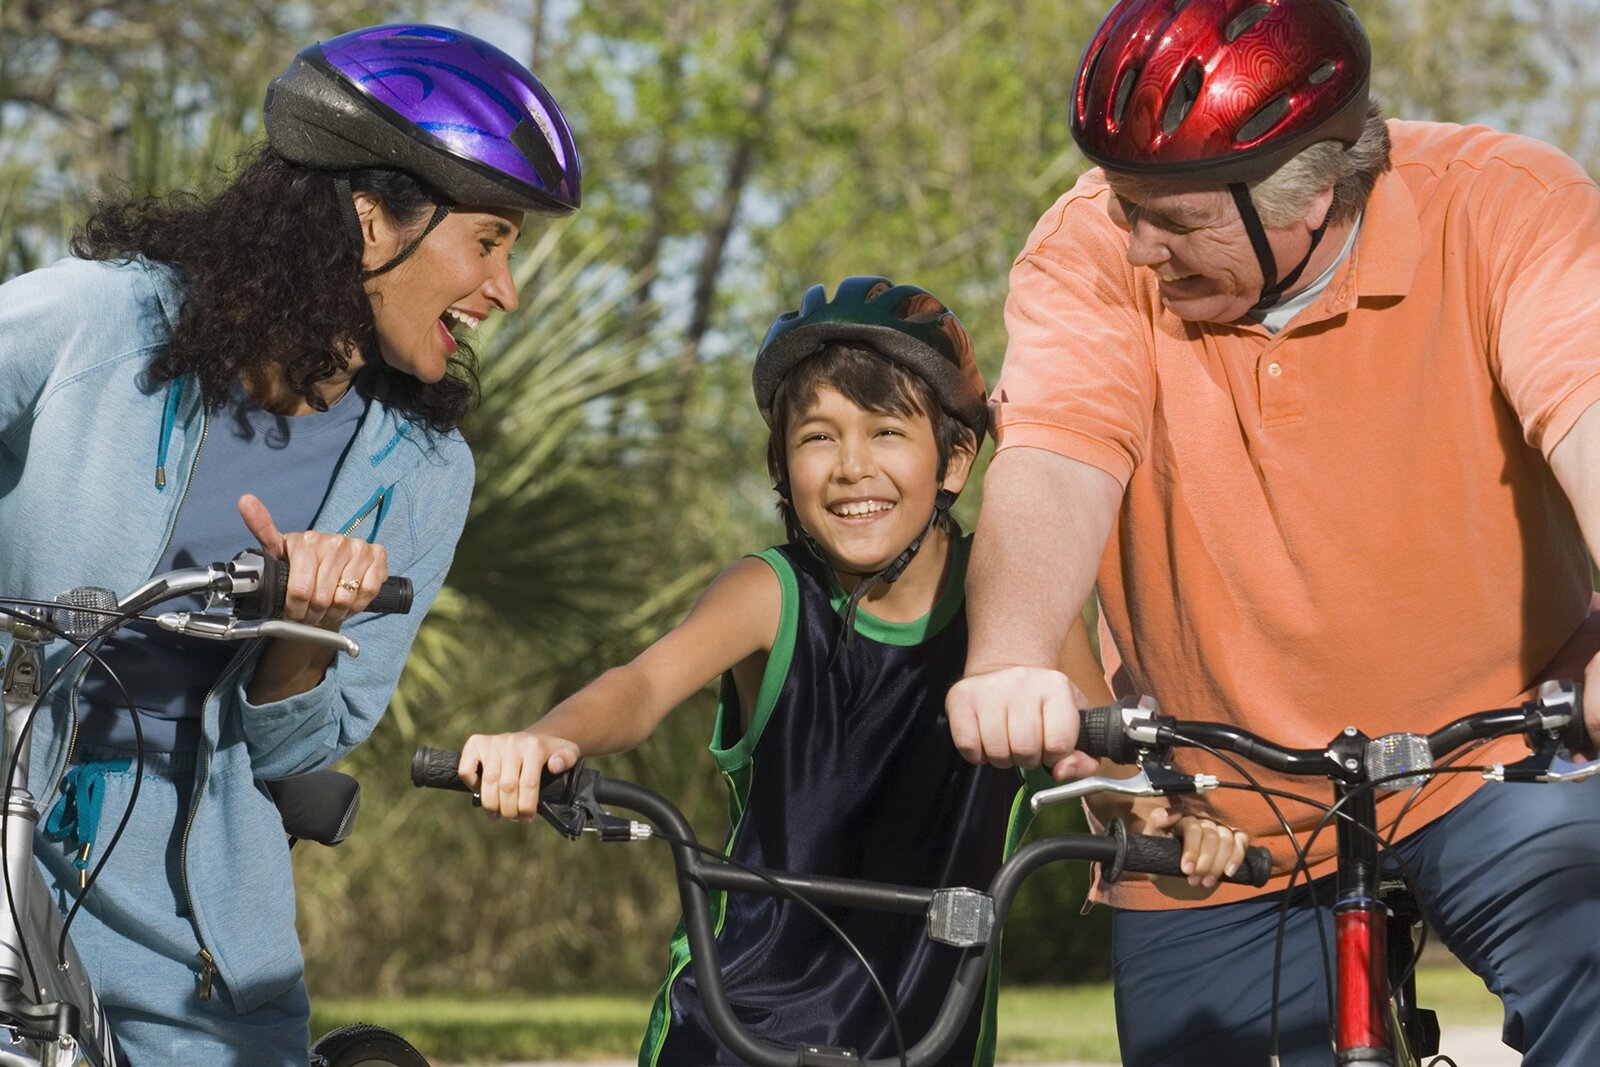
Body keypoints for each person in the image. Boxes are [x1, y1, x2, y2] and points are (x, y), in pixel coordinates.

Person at [945, 0, 1600, 1063]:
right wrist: (1012, 652)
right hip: (1215, 793)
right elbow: (1053, 459)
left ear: (1311, 190)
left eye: (1178, 218)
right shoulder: (1089, 250)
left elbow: (1589, 404)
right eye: (1126, 204)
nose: (1141, 245)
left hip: (1501, 752)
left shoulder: (1503, 209)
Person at [0, 22, 580, 1065]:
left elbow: (297, 753)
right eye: (489, 241)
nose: (506, 290)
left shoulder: (420, 473)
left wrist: (307, 634)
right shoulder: (101, 325)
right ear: (370, 220)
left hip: (193, 940)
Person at [458, 277, 1217, 1065]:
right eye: (817, 437)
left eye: (886, 431)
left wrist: (1170, 826)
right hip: (734, 1029)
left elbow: (1108, 776)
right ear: (783, 467)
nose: (852, 466)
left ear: (956, 457)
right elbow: (642, 685)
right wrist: (542, 739)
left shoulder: (1020, 615)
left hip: (928, 1036)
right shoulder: (770, 595)